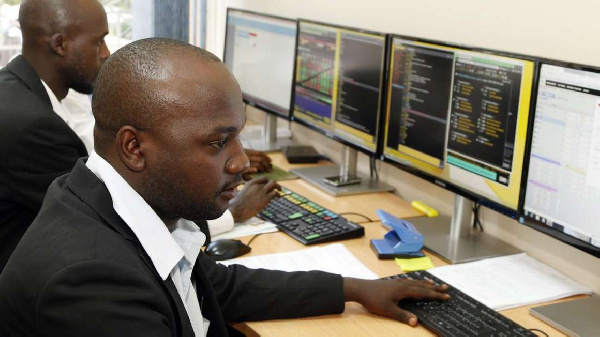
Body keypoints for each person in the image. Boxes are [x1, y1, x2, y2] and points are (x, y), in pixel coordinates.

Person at [0, 38, 449, 336]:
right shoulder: (92, 283)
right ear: (134, 147)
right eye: (218, 142)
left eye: (238, 135)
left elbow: (219, 287)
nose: (238, 161)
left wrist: (354, 288)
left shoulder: (124, 206)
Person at [0, 0, 273, 273]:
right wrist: (232, 213)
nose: (107, 54)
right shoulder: (33, 128)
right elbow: (119, 221)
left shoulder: (27, 94)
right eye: (99, 42)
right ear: (60, 45)